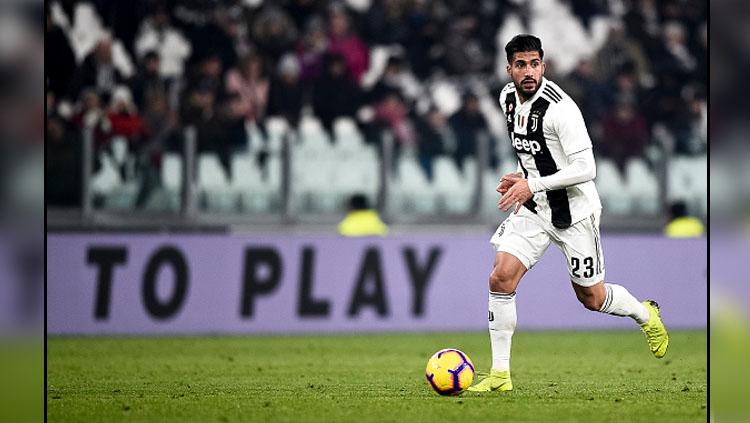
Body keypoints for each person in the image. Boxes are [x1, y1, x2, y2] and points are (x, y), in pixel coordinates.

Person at [468, 35, 669, 393]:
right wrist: (524, 178)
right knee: (500, 278)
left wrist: (533, 184)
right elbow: (532, 151)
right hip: (534, 208)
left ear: (543, 66)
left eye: (534, 64)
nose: (528, 72)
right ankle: (500, 374)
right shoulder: (506, 99)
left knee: (591, 298)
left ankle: (644, 314)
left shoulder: (561, 109)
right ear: (509, 69)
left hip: (574, 213)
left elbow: (586, 168)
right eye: (520, 65)